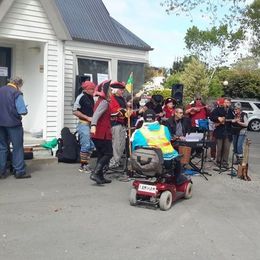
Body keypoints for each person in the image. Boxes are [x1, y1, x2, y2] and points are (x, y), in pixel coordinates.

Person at [131, 109, 188, 185]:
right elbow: (168, 140)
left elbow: (134, 148)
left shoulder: (137, 132)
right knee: (177, 157)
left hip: (142, 161)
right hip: (164, 161)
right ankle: (177, 179)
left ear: (144, 119)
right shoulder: (164, 128)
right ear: (155, 118)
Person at [0, 76, 30, 179]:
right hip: (13, 124)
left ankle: (1, 171)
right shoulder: (16, 93)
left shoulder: (1, 90)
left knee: (2, 147)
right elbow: (22, 111)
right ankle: (19, 171)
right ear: (18, 85)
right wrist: (25, 109)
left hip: (0, 123)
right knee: (17, 147)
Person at [90, 80, 113, 185]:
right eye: (110, 89)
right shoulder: (104, 102)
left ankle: (100, 176)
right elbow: (96, 115)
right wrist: (93, 125)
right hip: (101, 133)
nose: (111, 91)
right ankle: (96, 173)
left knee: (101, 154)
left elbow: (103, 115)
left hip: (99, 133)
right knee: (108, 153)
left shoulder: (100, 100)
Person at [73, 80, 95, 173]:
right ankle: (82, 166)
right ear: (86, 89)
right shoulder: (80, 97)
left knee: (92, 145)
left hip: (91, 124)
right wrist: (87, 117)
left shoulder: (91, 97)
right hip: (83, 124)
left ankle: (86, 163)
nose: (93, 90)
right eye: (91, 89)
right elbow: (75, 111)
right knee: (85, 144)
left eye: (93, 89)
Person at [109, 81, 128, 169]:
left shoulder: (122, 99)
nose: (122, 91)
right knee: (116, 143)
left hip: (122, 123)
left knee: (122, 144)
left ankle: (118, 159)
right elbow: (114, 110)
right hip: (115, 123)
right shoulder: (111, 98)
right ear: (116, 90)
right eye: (121, 90)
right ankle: (114, 161)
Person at [209, 97, 233, 168]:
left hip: (228, 132)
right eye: (225, 102)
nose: (226, 104)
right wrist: (218, 118)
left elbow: (234, 120)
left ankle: (225, 162)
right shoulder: (218, 109)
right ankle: (218, 161)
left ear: (230, 103)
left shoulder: (231, 111)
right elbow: (211, 116)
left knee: (226, 148)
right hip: (219, 131)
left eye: (228, 103)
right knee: (219, 148)